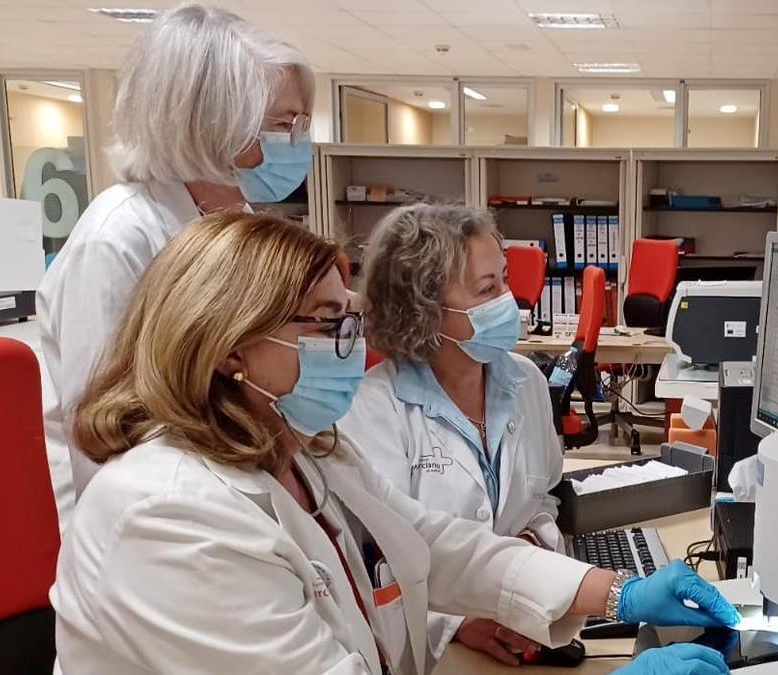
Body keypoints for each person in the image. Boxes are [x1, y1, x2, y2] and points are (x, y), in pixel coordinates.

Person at [51, 210, 737, 675]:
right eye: (328, 324)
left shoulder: (305, 448)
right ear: (230, 346)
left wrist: (612, 593)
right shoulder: (166, 518)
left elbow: (428, 543)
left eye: (350, 319)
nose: (355, 346)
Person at [36, 3, 315, 531]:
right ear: (213, 121)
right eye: (283, 124)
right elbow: (110, 427)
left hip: (233, 482)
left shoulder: (236, 220)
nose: (298, 140)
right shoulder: (118, 239)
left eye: (301, 123)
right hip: (151, 521)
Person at [340, 203, 565, 666]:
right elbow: (375, 561)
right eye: (488, 289)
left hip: (525, 623)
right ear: (423, 309)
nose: (509, 299)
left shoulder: (527, 382)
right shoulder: (373, 409)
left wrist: (533, 546)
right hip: (432, 649)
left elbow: (544, 498)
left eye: (504, 278)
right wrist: (457, 623)